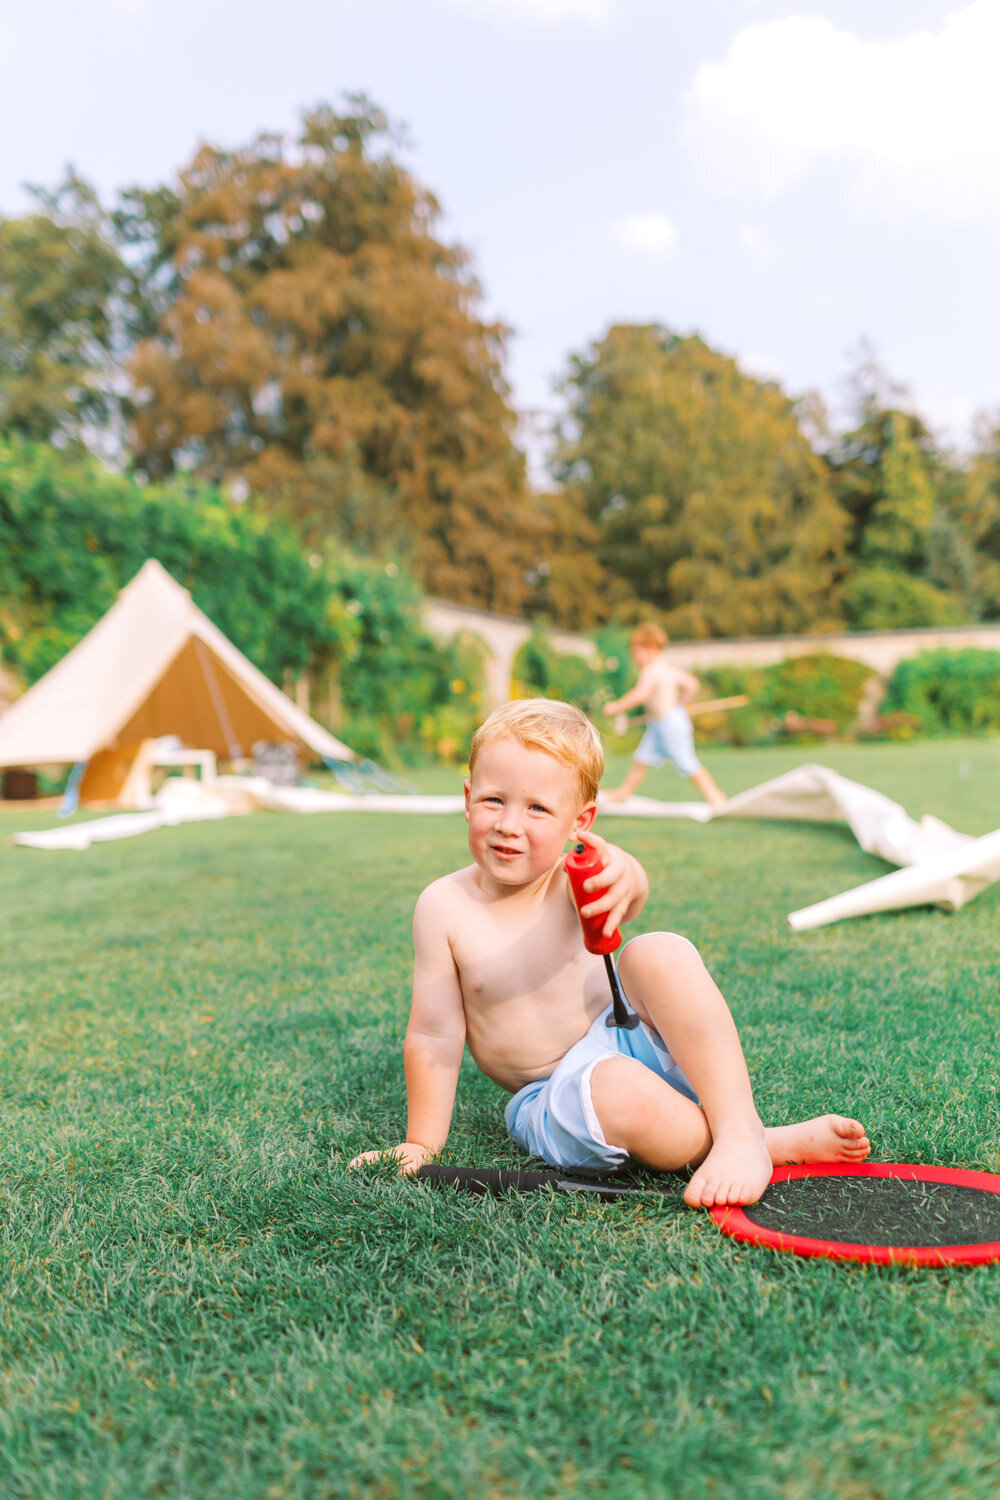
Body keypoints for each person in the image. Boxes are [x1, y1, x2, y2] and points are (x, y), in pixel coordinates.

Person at [351, 698, 870, 1207]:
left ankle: (739, 1131)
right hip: (552, 1092)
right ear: (467, 799)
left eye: (537, 808)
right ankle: (768, 1143)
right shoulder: (445, 907)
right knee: (618, 1089)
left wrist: (628, 874)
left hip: (631, 1038)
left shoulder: (578, 876)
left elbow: (630, 886)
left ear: (581, 821)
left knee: (658, 951)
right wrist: (421, 1144)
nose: (510, 824)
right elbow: (434, 1034)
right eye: (493, 800)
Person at [602, 622, 726, 808]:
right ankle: (623, 793)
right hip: (660, 724)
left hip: (669, 726)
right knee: (641, 759)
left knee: (686, 763)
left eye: (637, 653)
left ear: (650, 649)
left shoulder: (651, 669)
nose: (635, 658)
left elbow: (641, 694)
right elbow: (692, 684)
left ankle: (716, 797)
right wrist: (680, 705)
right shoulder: (666, 668)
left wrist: (616, 707)